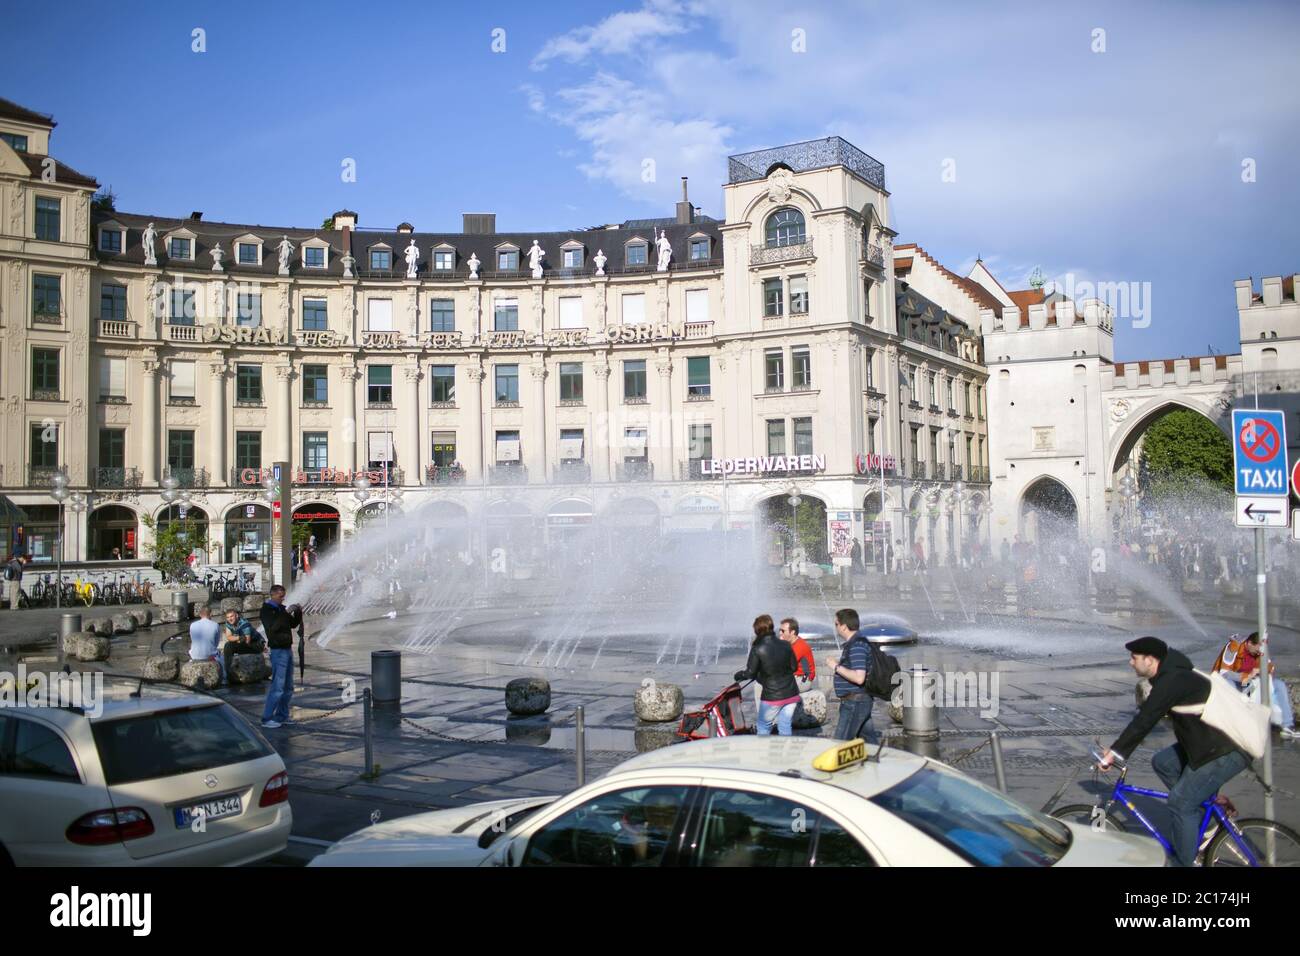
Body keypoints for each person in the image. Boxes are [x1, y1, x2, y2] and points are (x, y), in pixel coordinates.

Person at [1099, 637, 1252, 866]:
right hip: (1208, 744)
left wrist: (1115, 753)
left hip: (1226, 750)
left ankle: (1184, 861)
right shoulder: (1172, 673)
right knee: (1164, 762)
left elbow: (1145, 719)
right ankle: (1203, 816)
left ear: (1150, 660)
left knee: (1181, 803)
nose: (1131, 663)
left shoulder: (1172, 680)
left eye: (1134, 658)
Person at [1212, 632, 1296, 738]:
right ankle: (1233, 725)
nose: (1258, 654)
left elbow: (1270, 667)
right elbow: (1224, 673)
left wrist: (1262, 670)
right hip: (1235, 679)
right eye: (1257, 650)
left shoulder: (1260, 649)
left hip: (1251, 681)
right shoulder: (1233, 647)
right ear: (1249, 643)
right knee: (1230, 687)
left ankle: (1287, 725)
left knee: (1279, 685)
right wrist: (1246, 676)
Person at [733, 614, 800, 736]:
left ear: (757, 630)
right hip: (791, 694)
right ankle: (788, 753)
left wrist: (739, 675)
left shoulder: (757, 648)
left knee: (764, 726)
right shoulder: (786, 645)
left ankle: (763, 752)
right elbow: (794, 667)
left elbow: (750, 673)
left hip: (772, 696)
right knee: (785, 726)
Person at [825, 608, 876, 743]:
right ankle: (881, 762)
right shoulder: (857, 642)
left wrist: (835, 666)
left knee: (840, 744)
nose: (835, 628)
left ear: (844, 626)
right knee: (870, 743)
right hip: (858, 700)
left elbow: (859, 678)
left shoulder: (857, 646)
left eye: (836, 624)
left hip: (854, 702)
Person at [260, 585, 303, 729]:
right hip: (278, 651)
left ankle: (282, 716)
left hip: (287, 649)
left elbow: (292, 624)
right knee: (278, 686)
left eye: (283, 596)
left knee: (288, 687)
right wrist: (286, 612)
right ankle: (266, 718)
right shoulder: (267, 610)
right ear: (272, 595)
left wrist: (297, 612)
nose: (282, 598)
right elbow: (273, 628)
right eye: (280, 596)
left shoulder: (280, 609)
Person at [221, 607, 265, 679]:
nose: (230, 619)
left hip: (256, 645)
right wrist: (239, 638)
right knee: (228, 645)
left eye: (232, 616)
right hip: (244, 642)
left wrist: (237, 639)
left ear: (237, 615)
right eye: (228, 617)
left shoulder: (244, 624)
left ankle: (229, 671)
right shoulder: (228, 624)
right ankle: (228, 670)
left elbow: (247, 641)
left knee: (229, 646)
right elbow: (228, 637)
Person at [188, 604, 224, 680]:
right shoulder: (215, 625)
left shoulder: (192, 625)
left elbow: (193, 640)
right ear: (211, 614)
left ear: (200, 614)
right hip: (210, 657)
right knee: (222, 657)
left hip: (194, 656)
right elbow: (216, 643)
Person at [780, 617, 816, 692]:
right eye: (780, 630)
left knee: (775, 688)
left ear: (792, 632)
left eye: (783, 631)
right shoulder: (790, 644)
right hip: (793, 677)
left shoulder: (800, 646)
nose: (780, 633)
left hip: (803, 680)